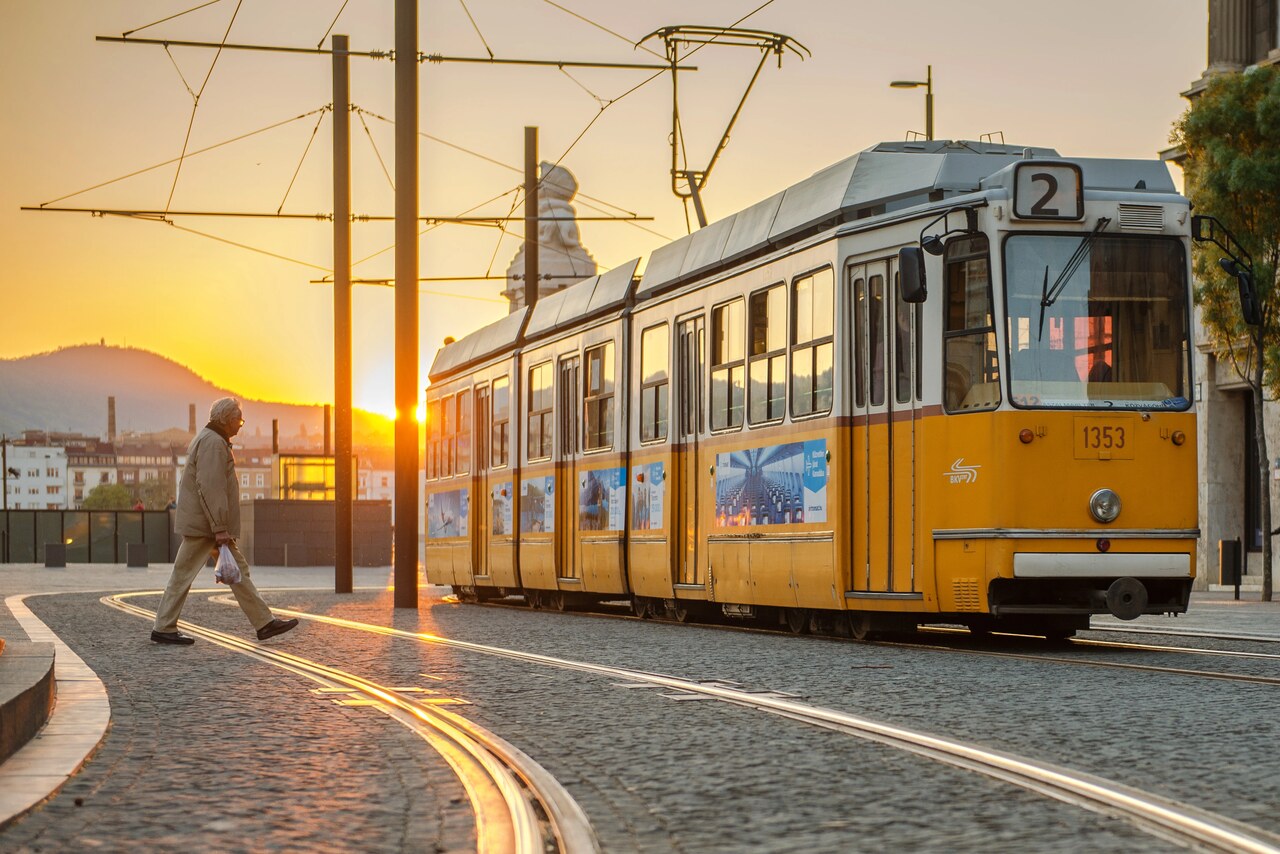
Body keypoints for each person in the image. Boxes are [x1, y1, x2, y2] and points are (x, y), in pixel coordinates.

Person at [151, 398, 298, 645]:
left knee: (237, 572)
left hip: (207, 524)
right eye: (238, 420)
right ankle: (163, 627)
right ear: (226, 419)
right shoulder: (213, 444)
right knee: (183, 574)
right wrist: (219, 528)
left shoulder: (211, 440)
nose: (240, 426)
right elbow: (211, 488)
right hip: (206, 526)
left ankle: (264, 622)